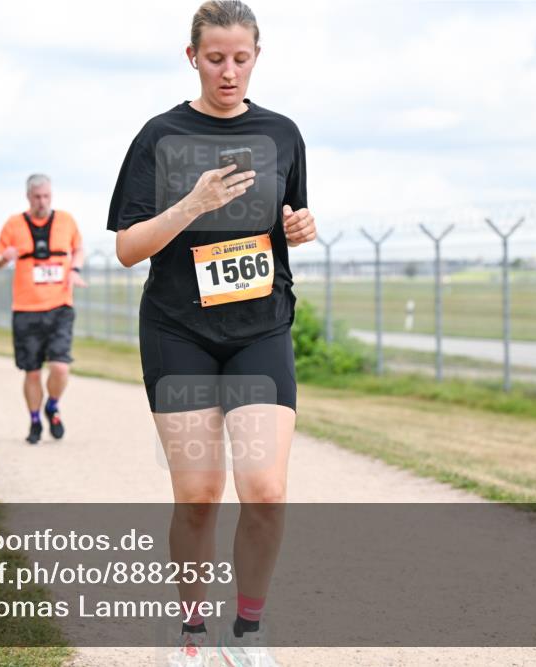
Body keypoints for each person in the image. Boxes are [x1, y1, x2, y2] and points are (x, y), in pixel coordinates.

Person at [106, 2, 316, 665]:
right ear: (192, 57)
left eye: (241, 58)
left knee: (266, 487)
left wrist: (300, 229)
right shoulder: (159, 136)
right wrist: (192, 203)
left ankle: (248, 632)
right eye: (216, 58)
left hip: (260, 327)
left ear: (257, 56)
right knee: (198, 492)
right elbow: (128, 247)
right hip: (179, 329)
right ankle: (191, 632)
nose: (229, 71)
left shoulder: (282, 132)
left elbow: (289, 219)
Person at [0, 174, 86, 444]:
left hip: (60, 306)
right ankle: (34, 421)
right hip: (26, 308)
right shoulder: (14, 224)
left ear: (51, 195)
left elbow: (79, 249)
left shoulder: (66, 220)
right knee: (32, 371)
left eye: (46, 196)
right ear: (28, 197)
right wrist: (3, 258)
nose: (42, 202)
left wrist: (74, 270)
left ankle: (52, 406)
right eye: (37, 197)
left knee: (60, 367)